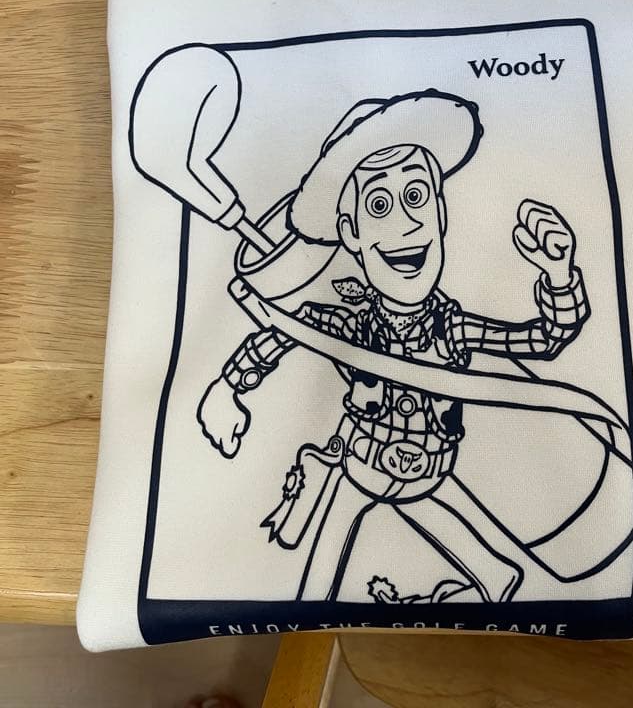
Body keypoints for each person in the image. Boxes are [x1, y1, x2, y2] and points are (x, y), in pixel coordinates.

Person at [198, 90, 590, 604]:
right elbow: (285, 332)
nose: (405, 224)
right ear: (351, 234)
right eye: (379, 205)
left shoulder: (453, 328)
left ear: (441, 212)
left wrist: (560, 276)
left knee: (473, 562)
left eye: (416, 196)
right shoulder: (352, 325)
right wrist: (229, 386)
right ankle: (488, 580)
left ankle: (492, 582)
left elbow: (543, 339)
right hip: (358, 464)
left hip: (428, 473)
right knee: (317, 587)